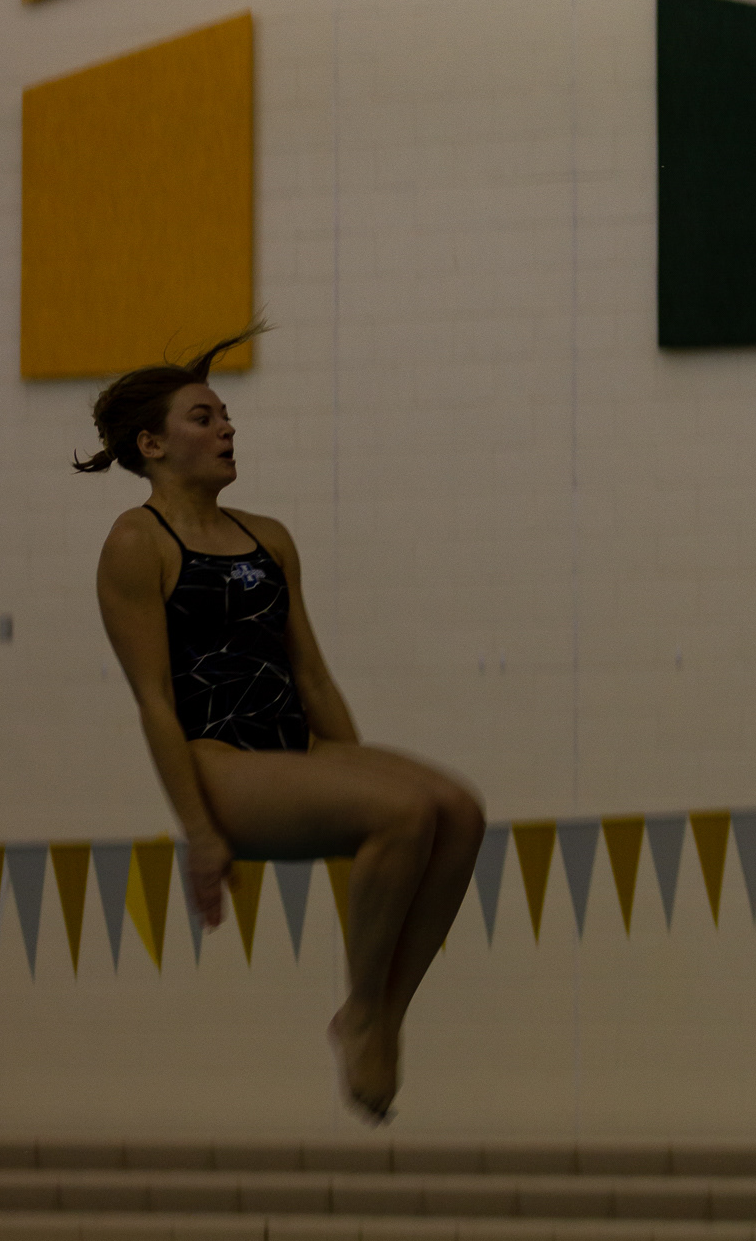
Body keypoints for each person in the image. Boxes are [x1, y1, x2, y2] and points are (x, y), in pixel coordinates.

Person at [79, 326, 486, 1122]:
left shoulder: (268, 538)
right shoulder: (136, 541)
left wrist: (351, 771)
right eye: (204, 418)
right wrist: (199, 834)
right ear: (152, 445)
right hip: (219, 760)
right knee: (406, 812)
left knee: (458, 812)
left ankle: (378, 1014)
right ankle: (363, 1013)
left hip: (294, 744)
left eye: (226, 415)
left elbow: (313, 675)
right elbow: (153, 701)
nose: (227, 428)